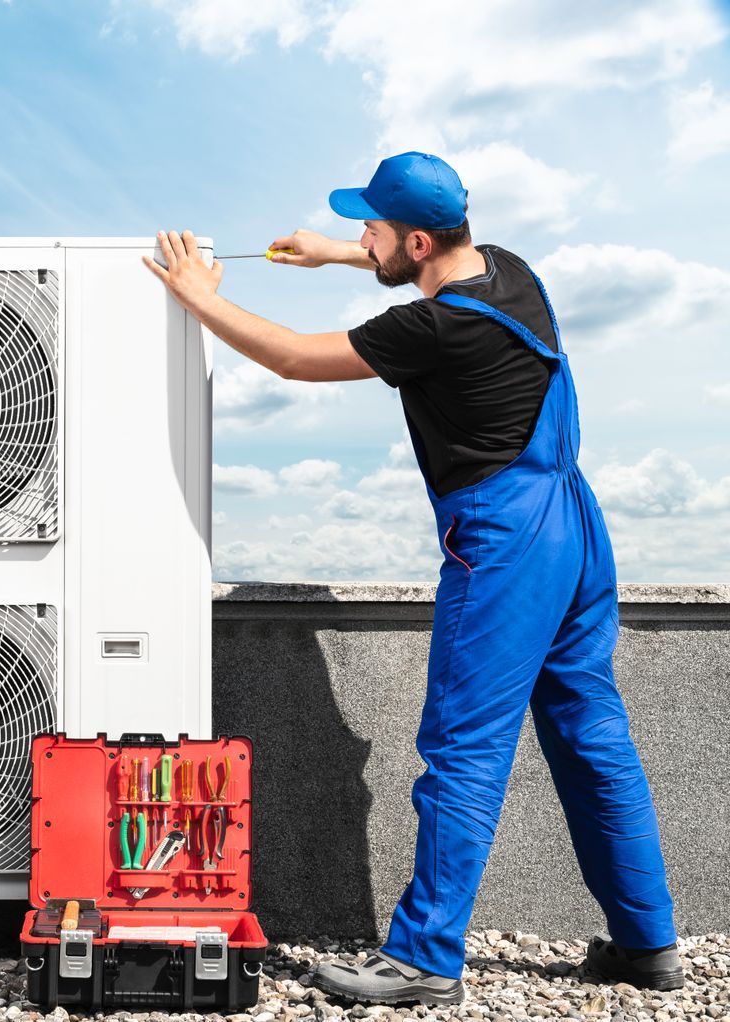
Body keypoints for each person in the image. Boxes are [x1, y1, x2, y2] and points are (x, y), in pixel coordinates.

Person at [141, 151, 684, 1007]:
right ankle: (649, 944)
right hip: (576, 528)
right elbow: (411, 268)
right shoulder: (510, 271)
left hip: (504, 542)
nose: (366, 236)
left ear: (420, 239)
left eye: (375, 228)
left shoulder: (432, 331)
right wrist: (333, 253)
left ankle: (424, 957)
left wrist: (200, 296)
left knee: (462, 751)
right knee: (594, 741)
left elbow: (292, 358)